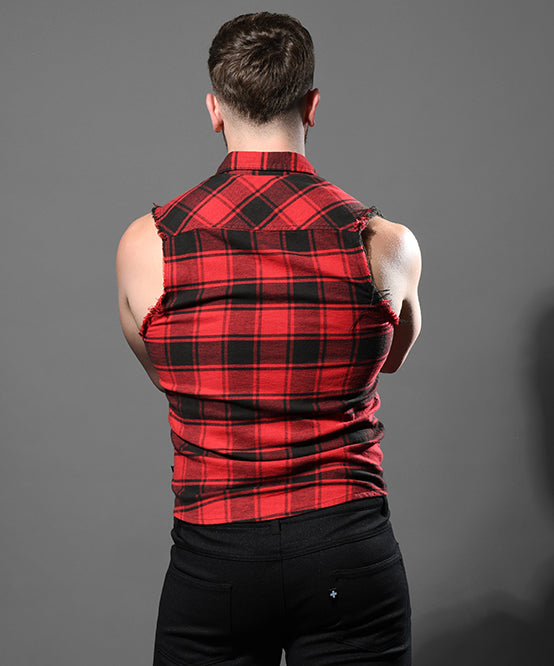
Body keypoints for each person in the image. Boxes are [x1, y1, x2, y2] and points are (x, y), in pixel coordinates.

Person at [117, 11, 421, 666]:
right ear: (313, 106)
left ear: (214, 110)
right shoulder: (385, 244)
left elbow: (167, 372)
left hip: (216, 557)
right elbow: (392, 359)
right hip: (346, 549)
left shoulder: (149, 246)